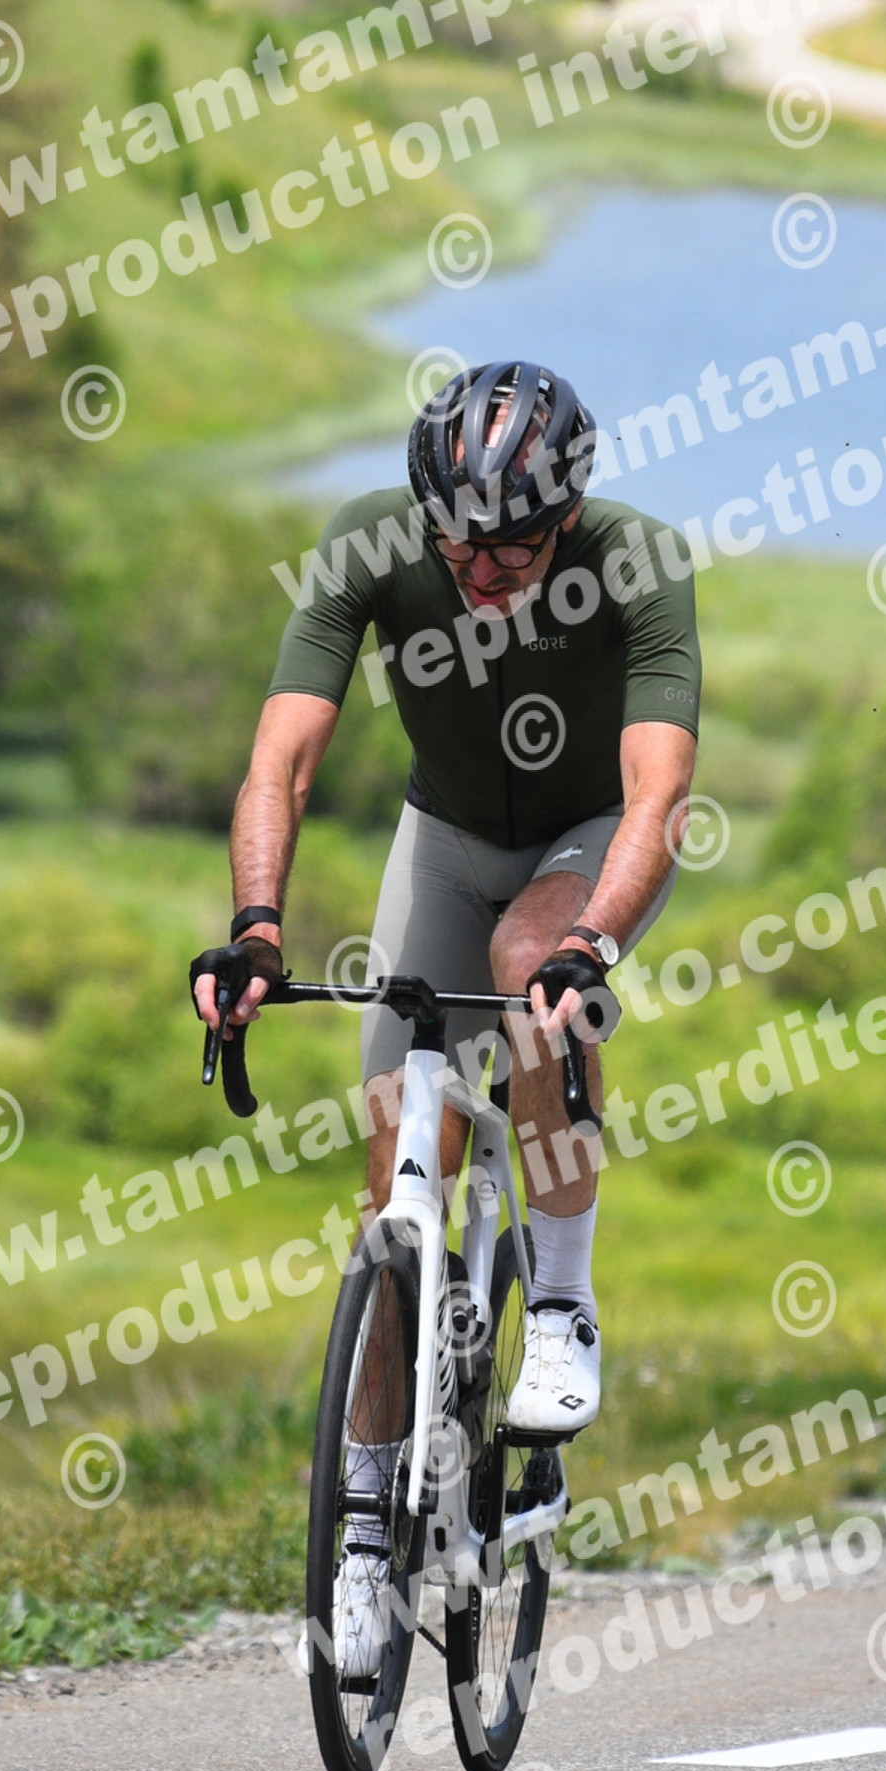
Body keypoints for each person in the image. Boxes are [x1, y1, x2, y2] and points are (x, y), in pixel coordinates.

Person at [192, 358, 701, 1675]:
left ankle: (564, 1306)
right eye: (457, 545)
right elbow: (282, 759)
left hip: (590, 842)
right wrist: (257, 927)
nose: (479, 573)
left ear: (567, 516)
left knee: (530, 968)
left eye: (512, 550)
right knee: (394, 1195)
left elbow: (656, 800)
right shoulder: (373, 540)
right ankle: (366, 1535)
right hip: (447, 838)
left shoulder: (638, 561)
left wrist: (590, 946)